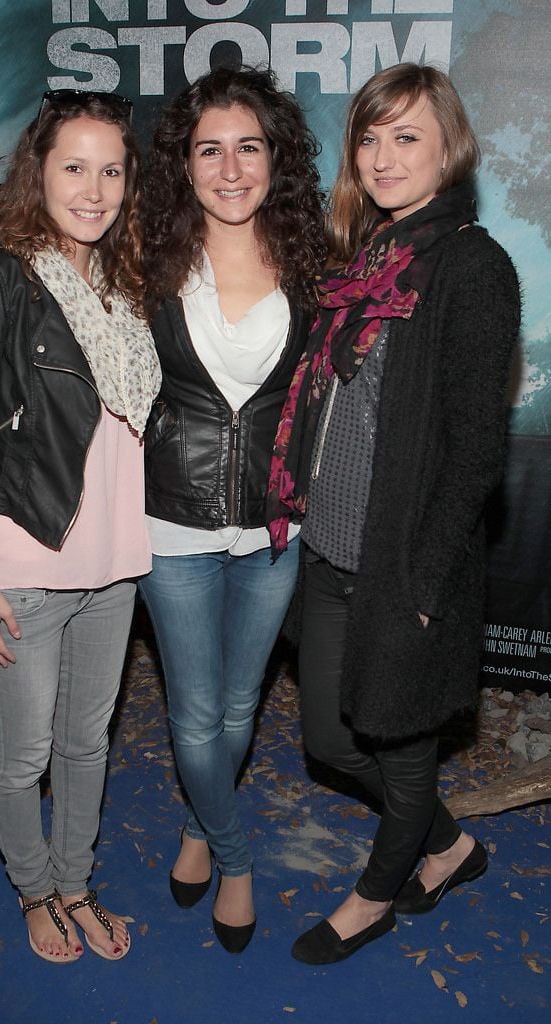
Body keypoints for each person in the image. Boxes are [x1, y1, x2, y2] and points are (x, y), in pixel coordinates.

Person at [267, 63, 521, 965]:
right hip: (333, 548)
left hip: (403, 566)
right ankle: (451, 845)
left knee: (398, 743)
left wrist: (426, 577)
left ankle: (379, 891)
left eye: (405, 136)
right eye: (369, 138)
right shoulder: (370, 259)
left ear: (448, 147)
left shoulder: (472, 267)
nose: (381, 156)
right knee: (333, 739)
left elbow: (475, 447)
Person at [0, 90, 161, 964]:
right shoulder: (0, 278)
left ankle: (76, 881)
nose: (94, 189)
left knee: (84, 743)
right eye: (75, 166)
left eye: (111, 170)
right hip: (21, 564)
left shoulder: (125, 288)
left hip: (114, 566)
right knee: (22, 753)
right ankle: (34, 891)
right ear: (40, 171)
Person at [138, 66, 326, 953]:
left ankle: (197, 820)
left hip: (275, 526)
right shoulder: (148, 259)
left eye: (248, 146)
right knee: (193, 711)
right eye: (209, 148)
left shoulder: (314, 261)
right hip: (171, 522)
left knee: (242, 704)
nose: (229, 166)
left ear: (274, 158)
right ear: (184, 163)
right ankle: (236, 852)